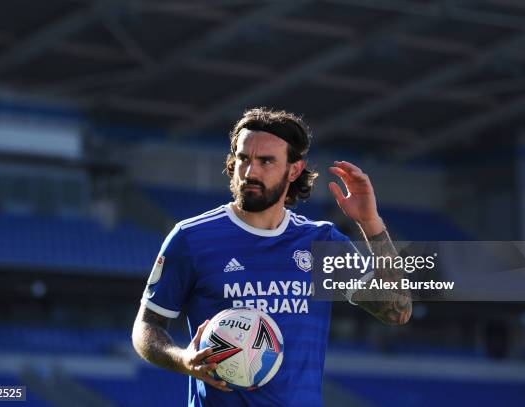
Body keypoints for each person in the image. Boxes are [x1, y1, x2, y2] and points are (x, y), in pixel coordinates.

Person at [132, 107, 412, 406]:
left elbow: (396, 310)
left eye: (266, 161)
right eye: (243, 159)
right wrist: (183, 358)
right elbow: (147, 328)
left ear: (294, 169)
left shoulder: (321, 242)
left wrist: (370, 223)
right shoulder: (191, 238)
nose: (251, 172)